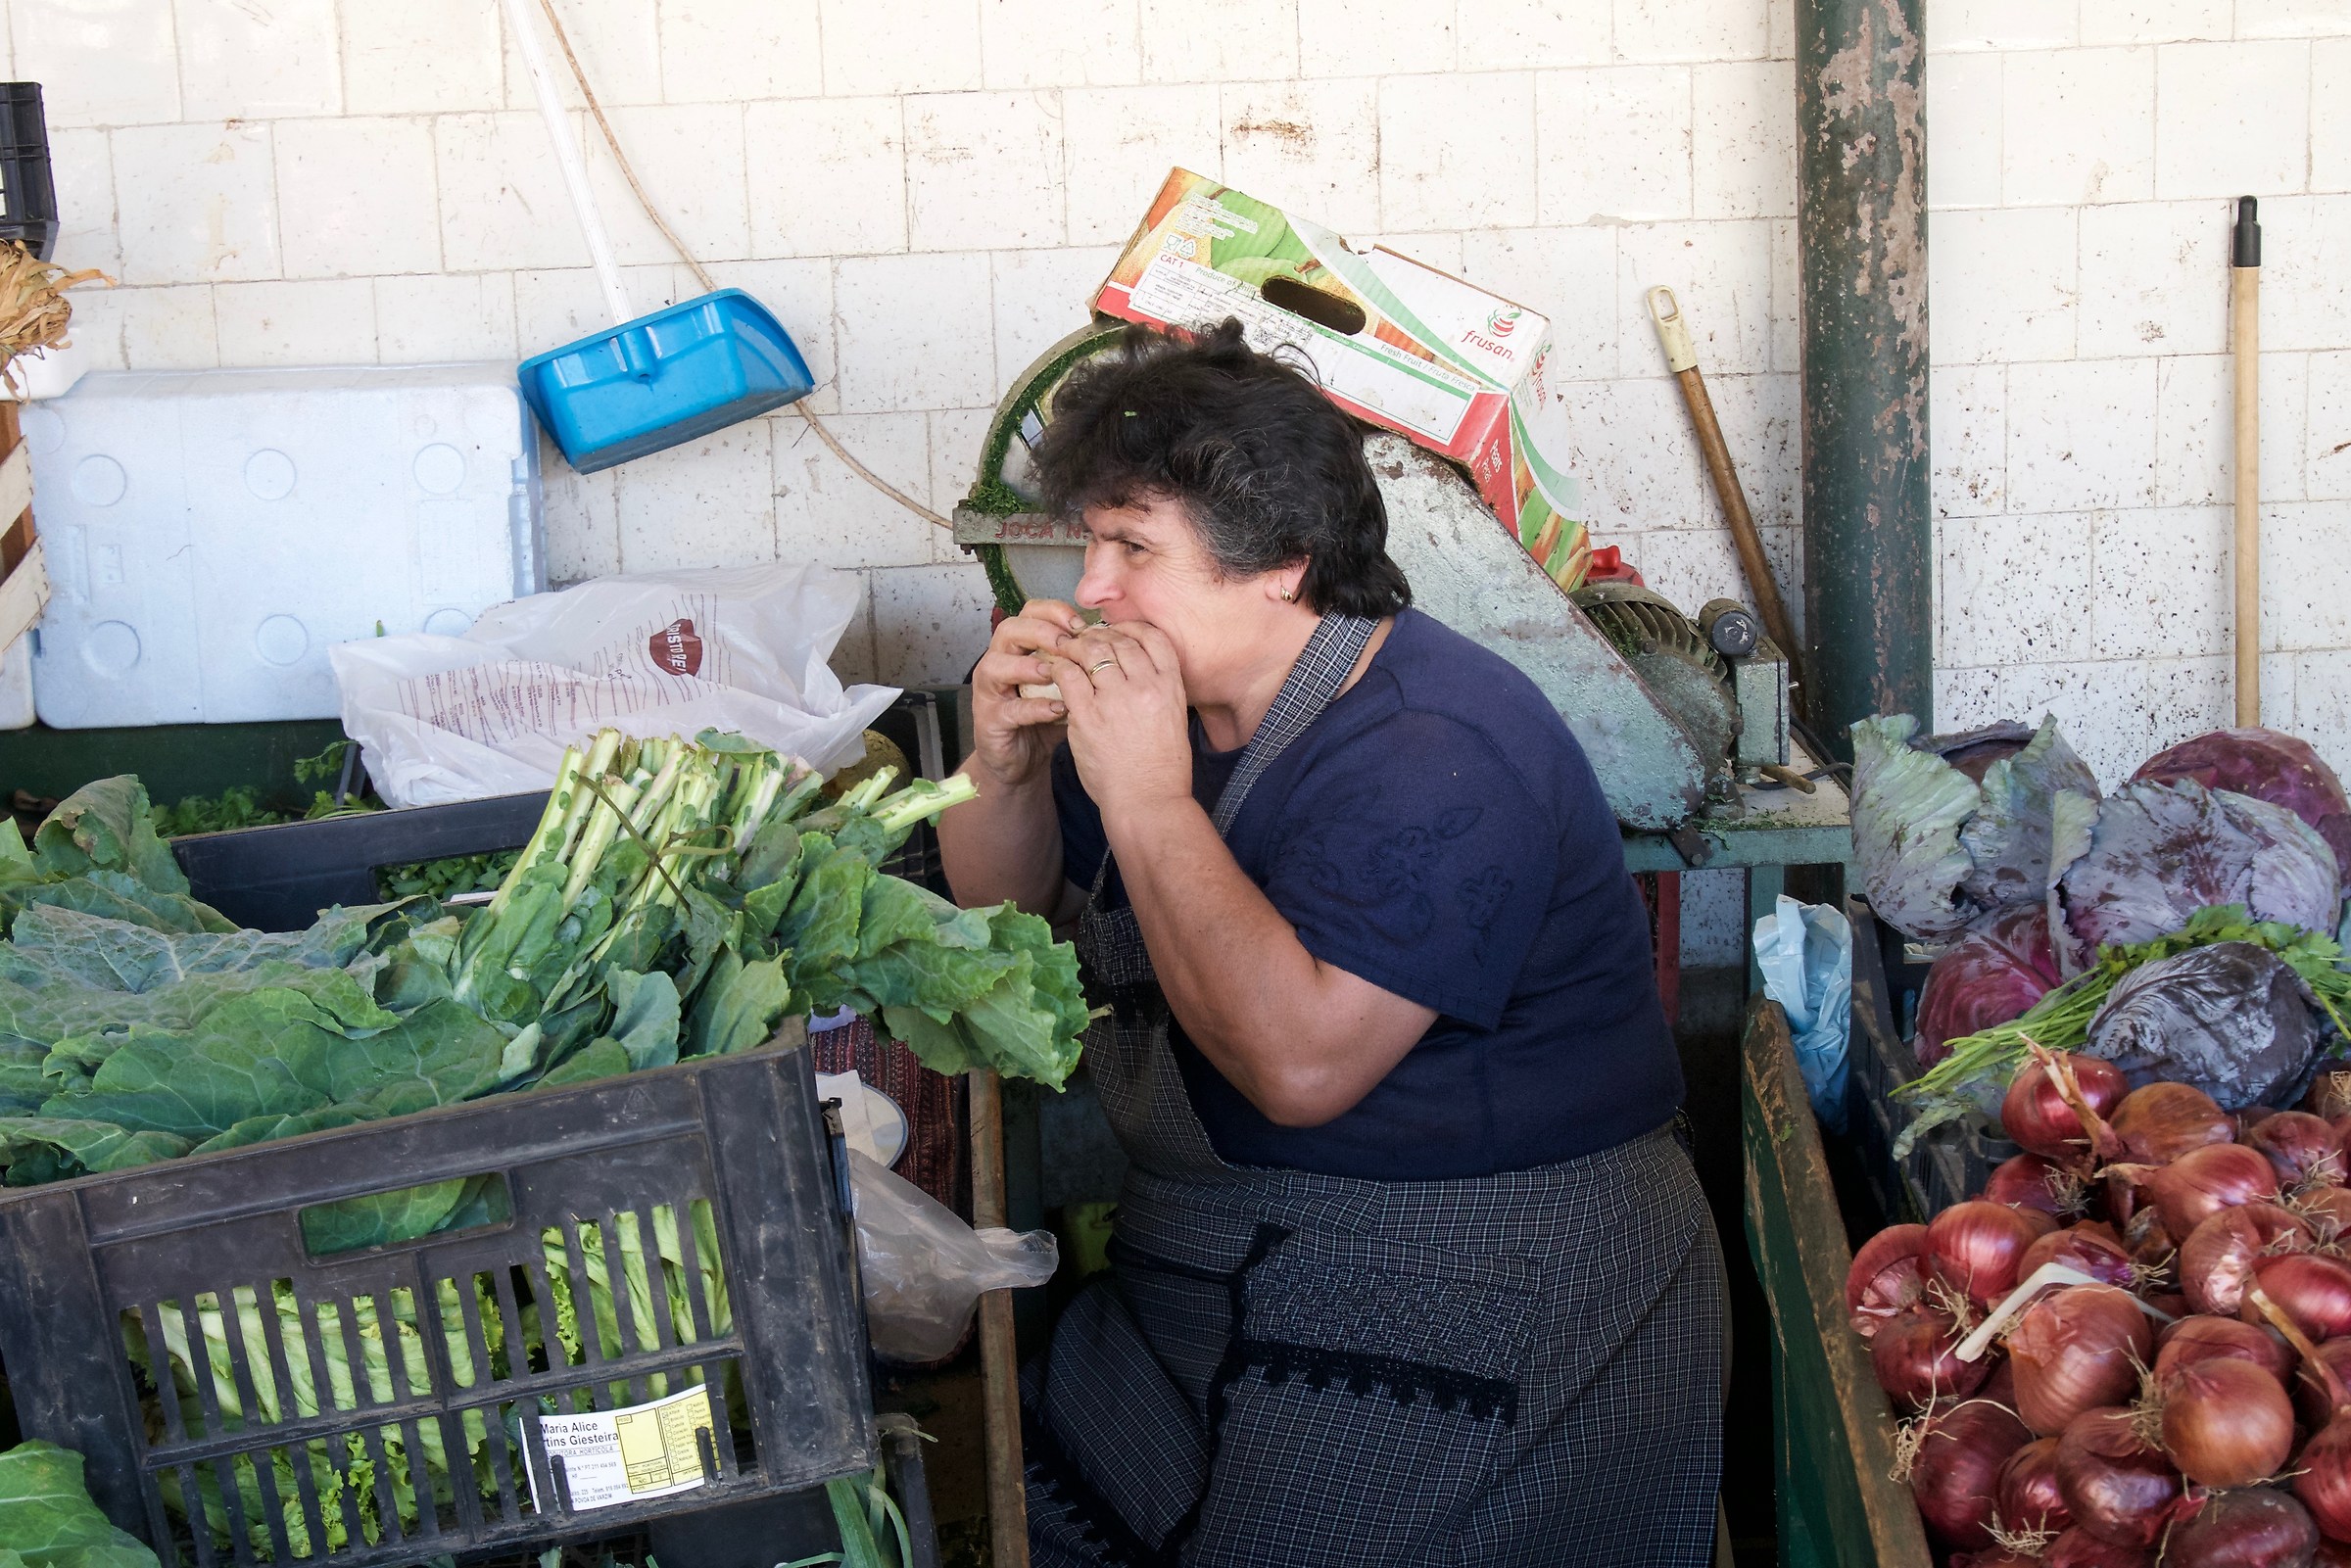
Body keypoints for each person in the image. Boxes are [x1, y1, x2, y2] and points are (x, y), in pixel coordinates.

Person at [936, 321, 1725, 1567]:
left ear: (1283, 566)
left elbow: (1303, 1070)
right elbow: (1010, 926)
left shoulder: (1438, 746)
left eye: (1134, 547)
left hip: (1477, 1272)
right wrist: (1004, 763)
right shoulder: (1175, 703)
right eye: (1091, 542)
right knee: (1041, 1475)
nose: (1091, 589)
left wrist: (1148, 802)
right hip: (1231, 1237)